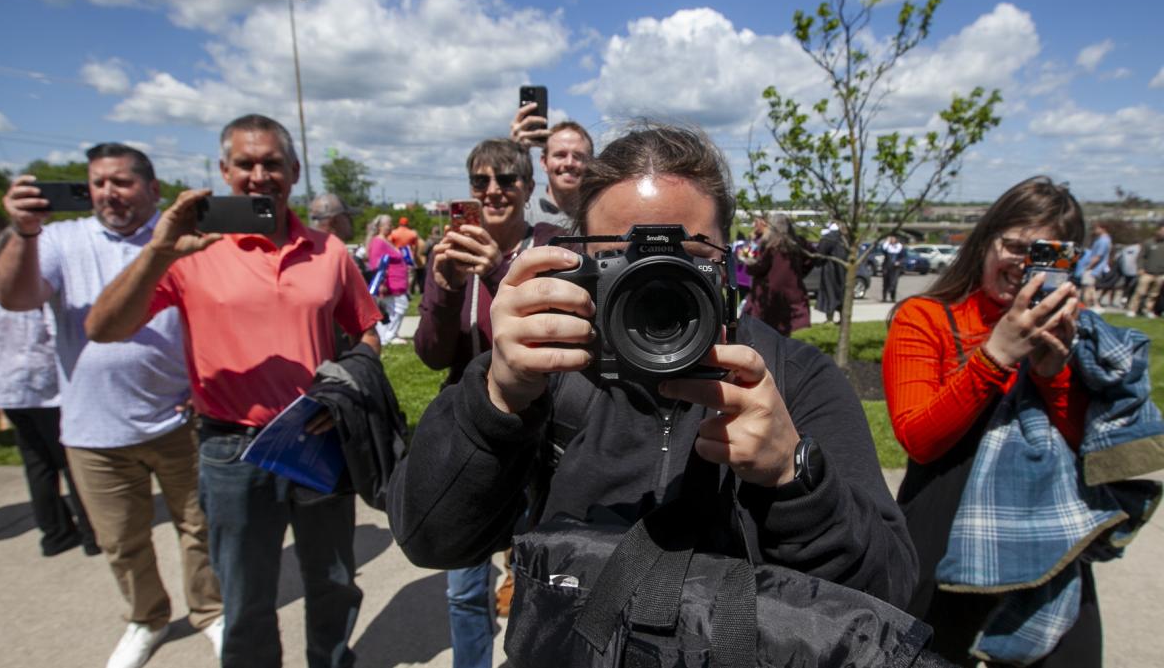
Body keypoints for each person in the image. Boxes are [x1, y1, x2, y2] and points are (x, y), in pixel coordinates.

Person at [388, 125, 916, 632]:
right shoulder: (558, 370)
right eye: (623, 262)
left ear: (726, 260)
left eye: (686, 261)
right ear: (580, 266)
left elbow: (888, 596)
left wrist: (793, 478)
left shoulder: (789, 379)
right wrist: (498, 398)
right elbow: (431, 540)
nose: (656, 286)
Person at [84, 114, 383, 668]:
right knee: (245, 598)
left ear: (294, 171)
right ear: (223, 171)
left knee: (335, 582)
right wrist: (157, 250)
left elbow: (366, 330)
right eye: (244, 164)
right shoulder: (191, 251)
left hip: (316, 441)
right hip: (232, 449)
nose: (258, 174)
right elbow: (104, 327)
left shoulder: (328, 251)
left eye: (271, 162)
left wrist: (346, 389)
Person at [0, 143, 223, 668]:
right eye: (97, 183)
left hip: (179, 417)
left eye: (121, 182)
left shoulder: (186, 242)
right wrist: (23, 233)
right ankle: (147, 617)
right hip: (92, 424)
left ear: (153, 189)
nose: (107, 193)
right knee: (122, 539)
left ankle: (210, 609)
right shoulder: (58, 239)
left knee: (199, 527)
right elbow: (14, 296)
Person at [883, 176, 1093, 666]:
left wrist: (1052, 372)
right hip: (944, 536)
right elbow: (919, 439)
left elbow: (1089, 450)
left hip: (1045, 545)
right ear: (986, 240)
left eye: (1045, 253)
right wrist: (996, 353)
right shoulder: (926, 317)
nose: (1025, 265)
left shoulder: (1076, 328)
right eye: (1015, 246)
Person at [414, 139, 561, 666]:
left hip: (535, 432)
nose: (494, 191)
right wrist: (448, 288)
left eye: (506, 180)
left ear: (528, 188)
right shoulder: (449, 250)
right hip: (470, 433)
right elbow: (432, 355)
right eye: (481, 182)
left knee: (537, 569)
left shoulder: (548, 245)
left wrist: (498, 269)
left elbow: (550, 332)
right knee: (463, 586)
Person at [0, 227, 97, 557]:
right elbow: (56, 334)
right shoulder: (35, 290)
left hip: (2, 386)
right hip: (42, 385)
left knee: (36, 460)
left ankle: (54, 532)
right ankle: (92, 532)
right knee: (69, 458)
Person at [510, 109, 594, 227]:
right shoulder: (522, 213)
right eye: (560, 155)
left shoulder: (599, 216)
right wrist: (514, 151)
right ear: (544, 162)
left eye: (578, 156)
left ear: (591, 164)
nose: (569, 163)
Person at [740, 212, 813, 336]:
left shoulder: (769, 245)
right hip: (792, 292)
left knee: (767, 332)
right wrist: (799, 275)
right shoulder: (799, 244)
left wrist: (747, 263)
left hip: (769, 293)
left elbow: (759, 266)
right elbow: (811, 259)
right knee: (786, 332)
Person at [364, 214, 410, 345]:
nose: (392, 227)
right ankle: (389, 335)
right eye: (389, 224)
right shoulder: (378, 242)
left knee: (392, 310)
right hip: (390, 283)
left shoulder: (386, 241)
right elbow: (377, 264)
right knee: (401, 306)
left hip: (397, 282)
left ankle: (387, 336)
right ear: (380, 227)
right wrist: (382, 283)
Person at [1126, 225, 1164, 317]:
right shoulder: (1148, 243)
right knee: (1140, 292)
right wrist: (1140, 268)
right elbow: (1141, 257)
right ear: (1158, 231)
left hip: (1160, 274)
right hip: (1147, 272)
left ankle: (1147, 310)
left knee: (1153, 295)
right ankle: (1132, 309)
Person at [815, 222, 848, 323]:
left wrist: (817, 262)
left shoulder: (828, 238)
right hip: (844, 270)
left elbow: (820, 253)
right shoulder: (846, 238)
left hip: (830, 270)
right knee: (842, 294)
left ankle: (830, 318)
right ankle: (843, 318)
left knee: (830, 293)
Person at [1077, 220, 1111, 309]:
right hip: (1094, 267)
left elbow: (1098, 256)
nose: (1094, 230)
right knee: (1090, 287)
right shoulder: (1101, 239)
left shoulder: (1103, 241)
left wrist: (1089, 266)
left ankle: (1089, 305)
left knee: (1088, 287)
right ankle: (1094, 304)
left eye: (1096, 228)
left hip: (1093, 268)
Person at [880, 234, 905, 303]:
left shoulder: (900, 247)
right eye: (891, 238)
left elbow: (903, 257)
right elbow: (882, 249)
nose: (892, 240)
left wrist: (899, 262)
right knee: (885, 282)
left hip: (896, 267)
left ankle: (892, 297)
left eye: (893, 238)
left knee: (894, 282)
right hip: (887, 266)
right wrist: (887, 241)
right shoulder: (887, 246)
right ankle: (884, 297)